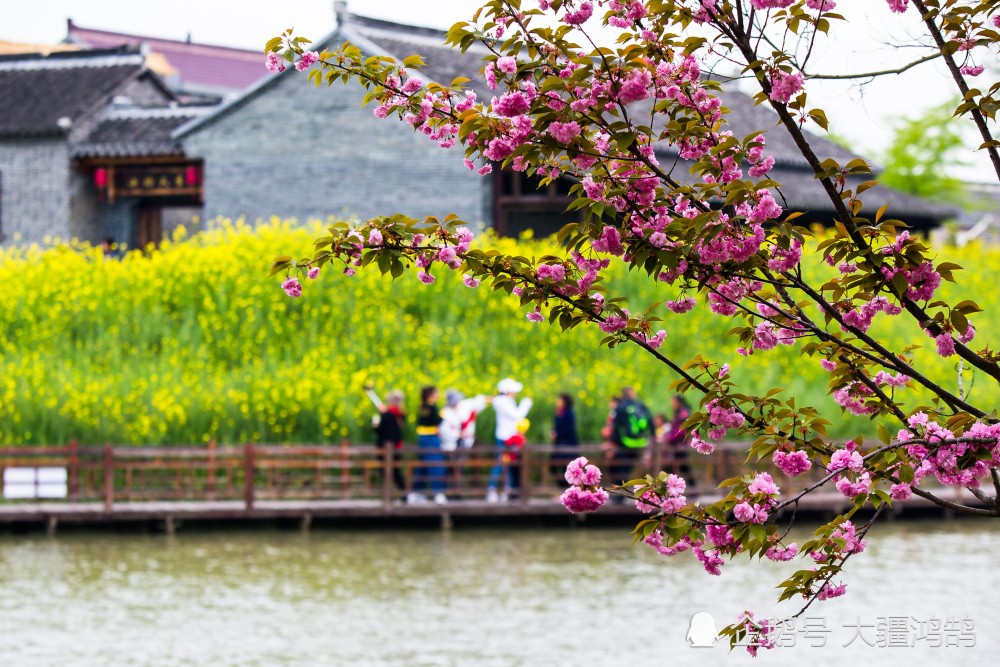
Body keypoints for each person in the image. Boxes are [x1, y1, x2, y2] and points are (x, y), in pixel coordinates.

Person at [488, 378, 533, 502]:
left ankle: (507, 491)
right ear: (508, 391)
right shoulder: (503, 402)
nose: (516, 393)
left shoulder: (507, 401)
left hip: (511, 438)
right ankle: (492, 490)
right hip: (504, 439)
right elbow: (518, 415)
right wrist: (526, 404)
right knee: (501, 464)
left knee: (511, 465)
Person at [607, 386, 652, 499]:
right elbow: (650, 421)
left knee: (621, 468)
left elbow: (617, 427)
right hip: (640, 442)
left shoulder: (620, 407)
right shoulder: (641, 405)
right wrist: (653, 436)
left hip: (625, 443)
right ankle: (625, 495)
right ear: (632, 393)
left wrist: (613, 441)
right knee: (629, 468)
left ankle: (618, 497)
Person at [414, 386, 448, 505]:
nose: (438, 394)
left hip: (422, 437)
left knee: (421, 466)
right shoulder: (432, 406)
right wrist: (442, 413)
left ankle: (417, 493)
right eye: (436, 392)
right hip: (431, 438)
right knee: (436, 465)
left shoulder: (422, 406)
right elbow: (437, 421)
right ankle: (438, 493)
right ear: (431, 394)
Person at [372, 389, 407, 497]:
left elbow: (383, 430)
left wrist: (375, 425)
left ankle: (389, 495)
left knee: (386, 471)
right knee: (395, 471)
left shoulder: (388, 414)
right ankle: (402, 493)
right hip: (396, 447)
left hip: (387, 447)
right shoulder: (400, 413)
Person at [550, 393, 579, 483]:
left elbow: (569, 429)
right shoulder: (559, 412)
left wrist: (557, 434)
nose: (557, 401)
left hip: (567, 444)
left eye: (559, 399)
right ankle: (562, 485)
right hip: (559, 444)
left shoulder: (569, 413)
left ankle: (565, 486)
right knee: (553, 465)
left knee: (565, 466)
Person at [665, 394, 694, 484]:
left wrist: (670, 437)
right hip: (675, 444)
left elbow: (682, 429)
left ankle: (692, 488)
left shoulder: (683, 413)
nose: (672, 404)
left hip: (680, 443)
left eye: (673, 402)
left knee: (682, 466)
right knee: (678, 466)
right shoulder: (677, 413)